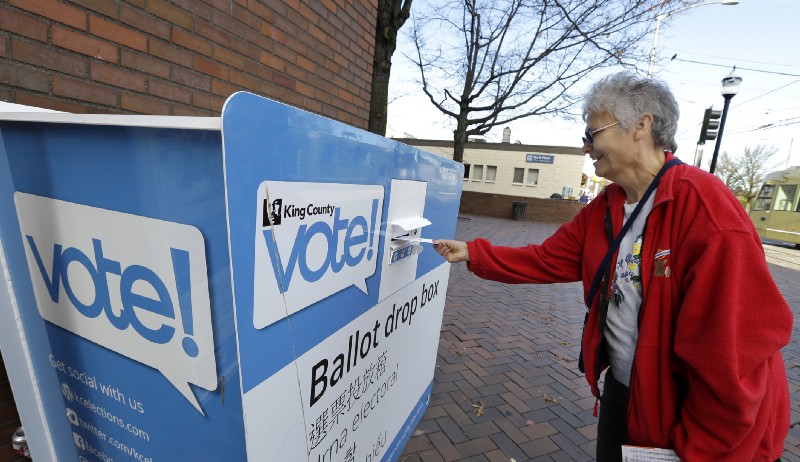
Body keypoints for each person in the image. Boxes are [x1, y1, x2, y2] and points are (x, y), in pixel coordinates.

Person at [434, 72, 792, 462]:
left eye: (593, 133)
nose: (586, 147)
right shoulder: (606, 206)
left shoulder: (704, 209)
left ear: (642, 125)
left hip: (685, 415)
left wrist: (701, 449)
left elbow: (733, 356)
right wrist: (473, 252)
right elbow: (547, 258)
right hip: (624, 393)